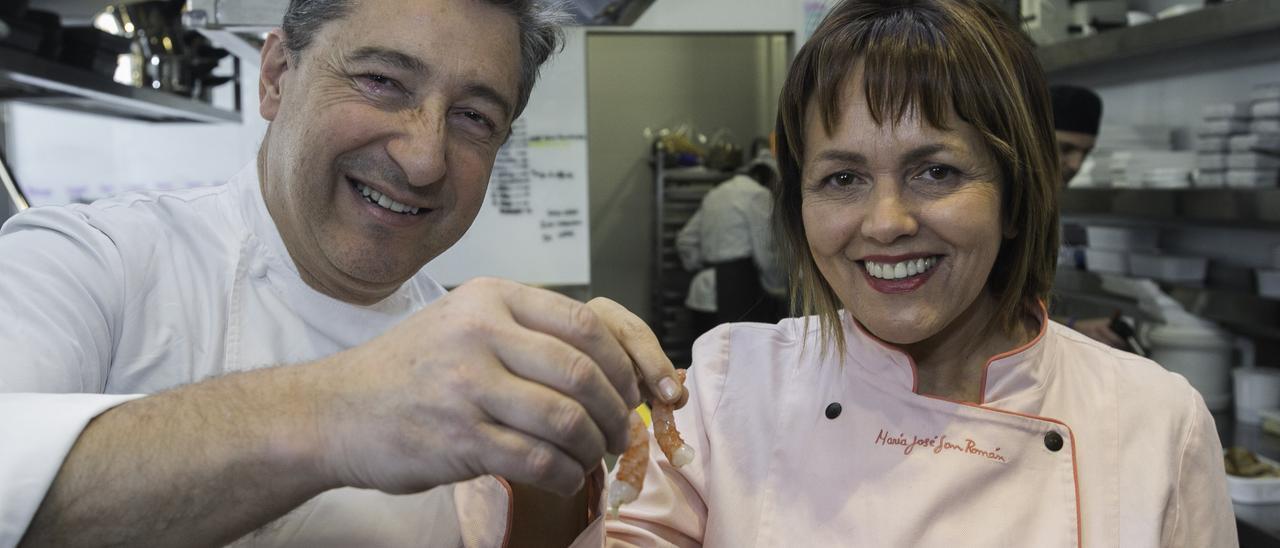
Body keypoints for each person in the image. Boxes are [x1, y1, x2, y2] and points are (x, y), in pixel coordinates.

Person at [0, 1, 685, 546]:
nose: (424, 159)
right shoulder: (89, 262)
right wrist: (338, 410)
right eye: (382, 81)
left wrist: (563, 447)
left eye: (473, 117)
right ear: (275, 77)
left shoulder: (462, 354)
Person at [596, 0, 1237, 545]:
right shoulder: (726, 388)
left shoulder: (1156, 423)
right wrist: (553, 439)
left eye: (937, 172)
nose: (886, 222)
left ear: (1015, 198)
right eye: (842, 178)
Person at [676, 146, 787, 338]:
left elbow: (685, 240)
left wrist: (703, 264)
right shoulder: (758, 195)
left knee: (706, 359)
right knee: (740, 361)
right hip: (739, 290)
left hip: (702, 294)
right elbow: (766, 251)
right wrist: (778, 286)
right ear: (767, 178)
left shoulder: (716, 193)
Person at [1049, 84, 1128, 348]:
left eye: (1086, 153)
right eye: (1065, 149)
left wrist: (1073, 328)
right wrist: (1070, 329)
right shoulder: (996, 208)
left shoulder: (1045, 210)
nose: (1076, 165)